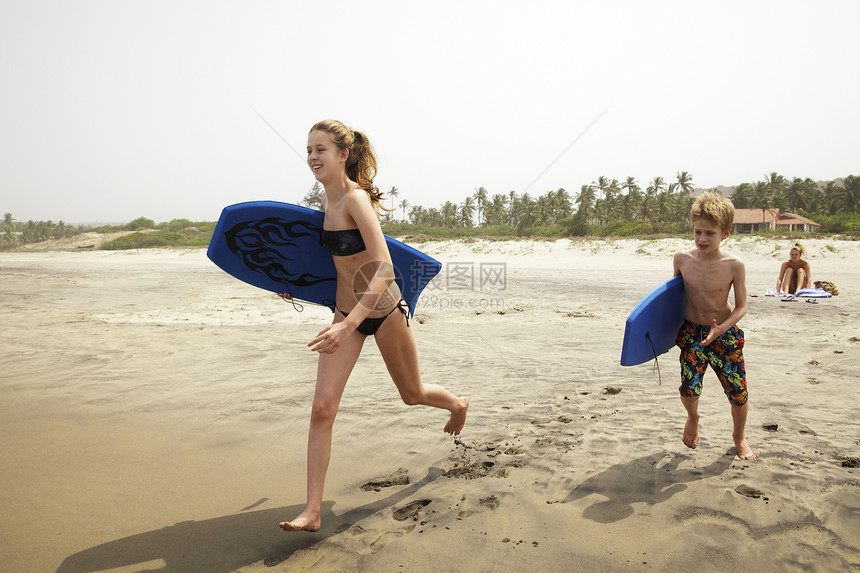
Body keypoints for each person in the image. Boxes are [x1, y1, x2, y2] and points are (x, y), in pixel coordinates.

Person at [278, 120, 469, 533]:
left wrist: (350, 327)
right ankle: (312, 511)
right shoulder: (325, 204)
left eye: (321, 149)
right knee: (322, 409)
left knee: (411, 394)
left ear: (342, 154)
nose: (312, 156)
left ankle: (457, 404)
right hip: (345, 313)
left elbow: (383, 268)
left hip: (382, 311)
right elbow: (331, 267)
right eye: (309, 149)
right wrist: (290, 286)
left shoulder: (354, 199)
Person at [672, 192, 755, 460]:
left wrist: (721, 328)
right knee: (688, 389)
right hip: (692, 333)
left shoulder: (734, 266)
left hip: (724, 333)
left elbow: (742, 306)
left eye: (710, 233)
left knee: (738, 394)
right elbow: (671, 300)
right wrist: (661, 335)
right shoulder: (682, 259)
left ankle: (739, 437)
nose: (702, 239)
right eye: (697, 232)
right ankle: (693, 418)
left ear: (726, 233)